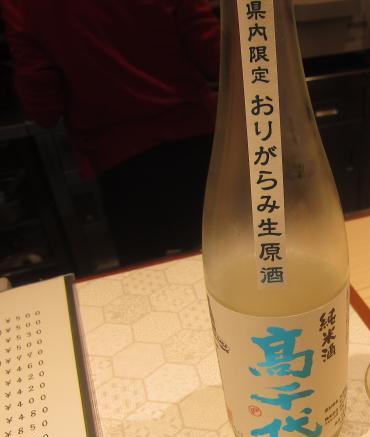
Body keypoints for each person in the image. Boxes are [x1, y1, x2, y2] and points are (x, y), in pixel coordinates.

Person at [1, 0, 220, 266]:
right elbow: (214, 53)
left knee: (145, 269)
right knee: (221, 250)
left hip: (118, 161)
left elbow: (43, 107)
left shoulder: (23, 5)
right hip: (193, 136)